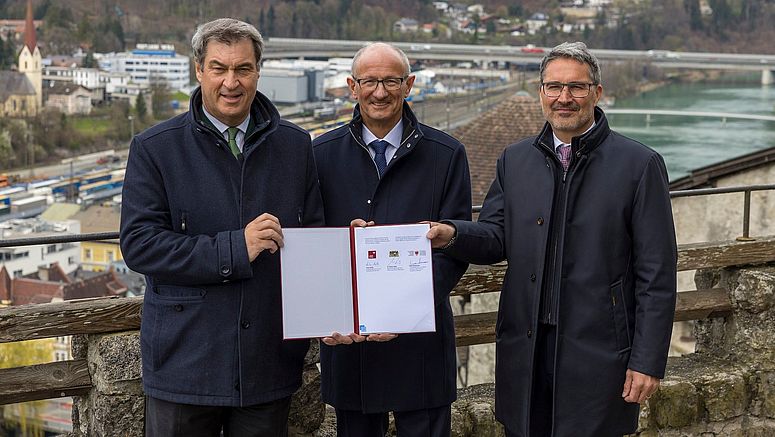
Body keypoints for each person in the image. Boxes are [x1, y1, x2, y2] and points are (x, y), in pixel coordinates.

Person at [427, 41, 678, 436]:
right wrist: (451, 235)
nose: (564, 98)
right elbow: (495, 238)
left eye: (576, 87)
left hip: (597, 351)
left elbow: (657, 273)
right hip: (525, 348)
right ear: (541, 91)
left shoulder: (639, 165)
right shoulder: (515, 159)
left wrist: (647, 360)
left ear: (597, 92)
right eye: (554, 87)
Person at [119, 18, 324, 436]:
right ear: (199, 70)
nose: (231, 82)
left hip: (267, 364)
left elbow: (314, 242)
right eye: (219, 68)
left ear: (258, 72)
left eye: (243, 69)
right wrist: (235, 248)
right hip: (185, 366)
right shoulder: (155, 148)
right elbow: (140, 246)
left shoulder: (295, 146)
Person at [312, 42, 471, 437]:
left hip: (421, 346)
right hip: (351, 347)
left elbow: (455, 250)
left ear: (409, 84)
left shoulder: (446, 153)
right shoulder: (319, 154)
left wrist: (403, 309)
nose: (379, 92)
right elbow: (311, 244)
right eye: (369, 81)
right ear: (352, 86)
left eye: (391, 81)